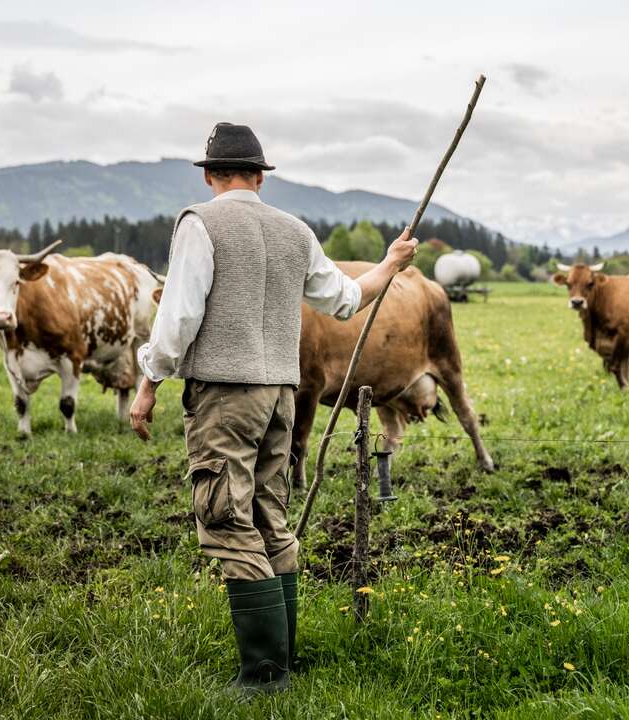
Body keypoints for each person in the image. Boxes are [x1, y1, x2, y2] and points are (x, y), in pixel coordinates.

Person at [129, 122, 417, 696]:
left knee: (225, 517)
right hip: (282, 394)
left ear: (210, 176)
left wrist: (149, 381)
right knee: (269, 515)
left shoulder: (199, 223)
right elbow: (346, 300)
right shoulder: (295, 230)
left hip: (225, 394)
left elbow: (178, 316)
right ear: (260, 177)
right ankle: (283, 659)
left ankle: (264, 675)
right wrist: (390, 262)